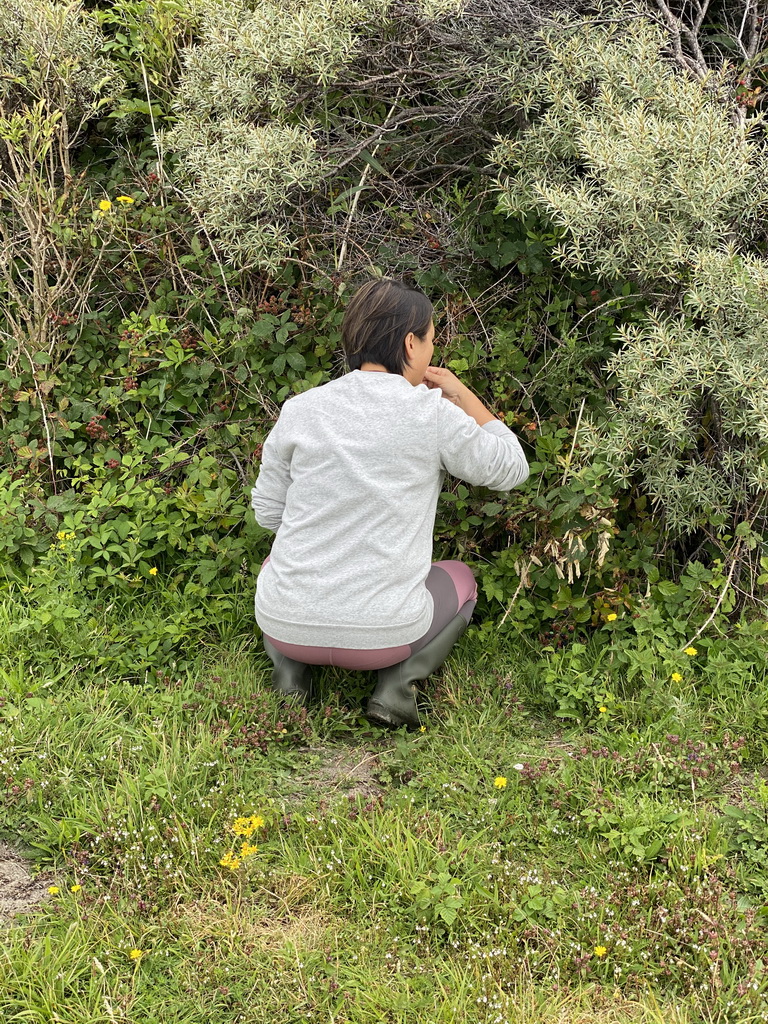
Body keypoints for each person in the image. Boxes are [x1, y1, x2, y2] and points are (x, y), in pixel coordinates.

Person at [250, 278, 529, 729]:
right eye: (432, 340)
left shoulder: (300, 409)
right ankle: (397, 687)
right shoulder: (431, 413)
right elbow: (511, 469)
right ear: (409, 342)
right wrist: (463, 396)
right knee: (460, 578)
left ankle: (290, 678)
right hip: (386, 633)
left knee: (274, 566)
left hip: (287, 624)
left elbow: (268, 514)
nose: (432, 353)